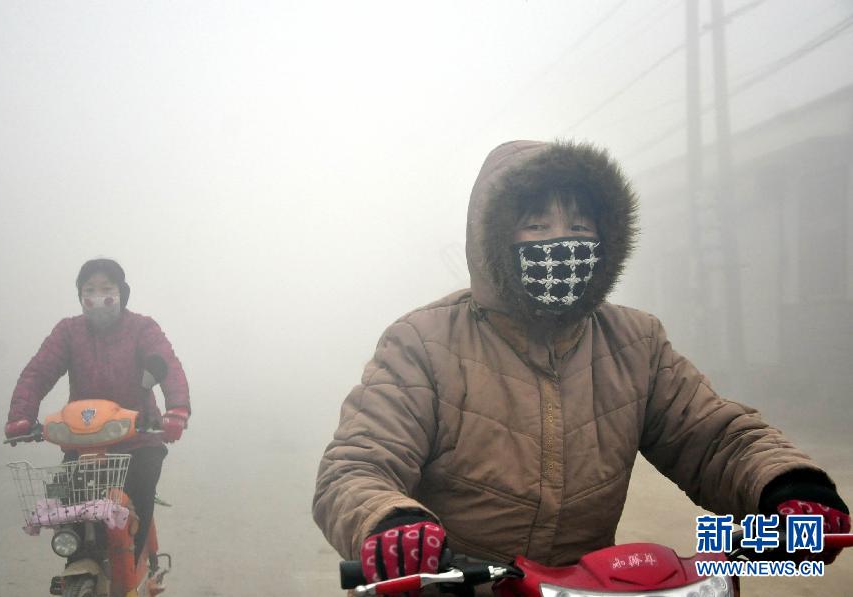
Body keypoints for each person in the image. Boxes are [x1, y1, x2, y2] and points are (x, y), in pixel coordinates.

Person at [312, 140, 850, 590]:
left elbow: (712, 436)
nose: (561, 240)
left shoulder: (635, 342)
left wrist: (787, 485)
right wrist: (389, 522)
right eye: (536, 224)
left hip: (584, 588)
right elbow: (359, 464)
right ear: (496, 239)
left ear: (605, 236)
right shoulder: (422, 343)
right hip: (458, 584)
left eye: (578, 222)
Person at [4, 258, 191, 565]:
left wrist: (177, 410)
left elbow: (166, 364)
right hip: (83, 442)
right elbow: (38, 373)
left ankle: (133, 568)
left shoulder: (142, 328)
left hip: (139, 439)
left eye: (107, 288)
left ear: (122, 293)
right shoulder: (68, 332)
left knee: (140, 497)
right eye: (89, 289)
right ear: (80, 296)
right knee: (72, 512)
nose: (97, 296)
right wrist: (20, 417)